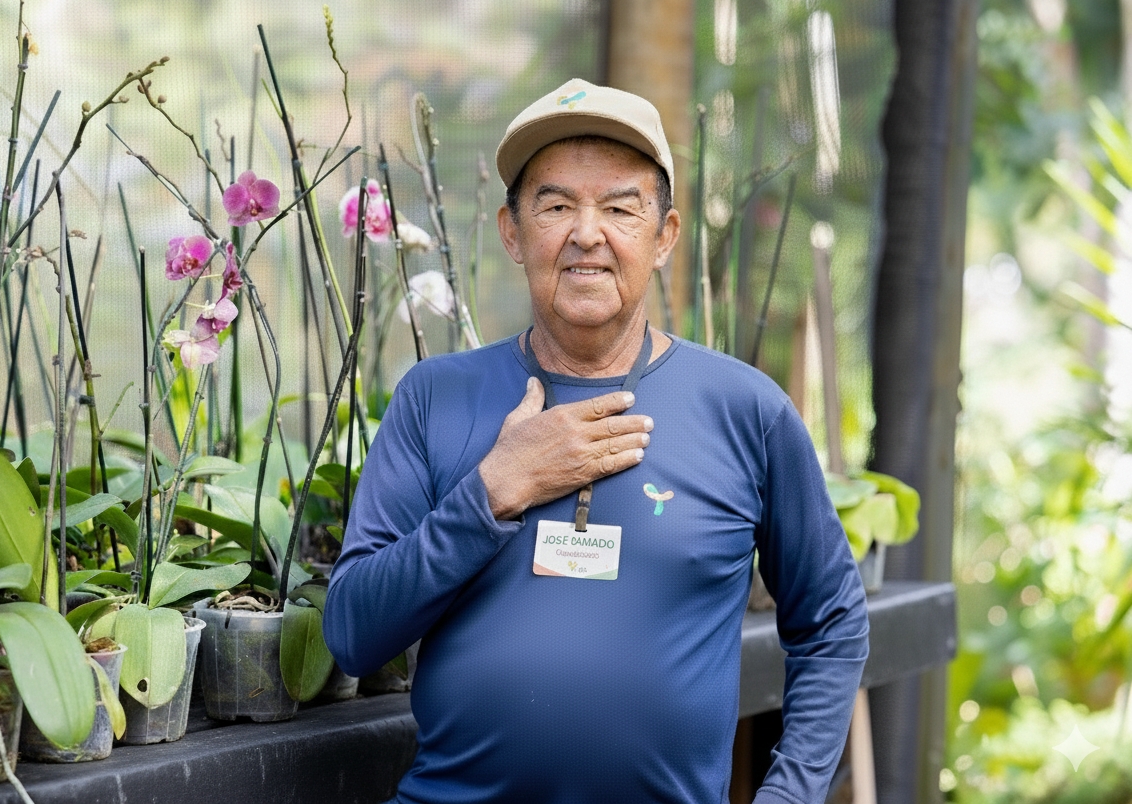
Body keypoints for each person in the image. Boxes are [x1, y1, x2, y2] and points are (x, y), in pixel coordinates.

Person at [324, 78, 869, 804]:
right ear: (513, 232)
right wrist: (492, 491)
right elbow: (354, 632)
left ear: (665, 235)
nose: (588, 232)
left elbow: (831, 621)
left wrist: (790, 795)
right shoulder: (434, 398)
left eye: (620, 207)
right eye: (555, 206)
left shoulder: (746, 410)